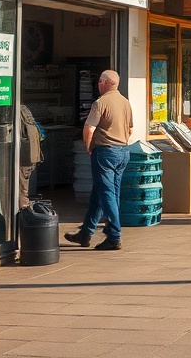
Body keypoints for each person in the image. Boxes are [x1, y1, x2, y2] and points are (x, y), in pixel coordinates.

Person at [64, 69, 133, 250]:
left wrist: (88, 147)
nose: (98, 84)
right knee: (104, 192)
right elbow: (130, 129)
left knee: (106, 193)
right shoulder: (125, 102)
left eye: (99, 81)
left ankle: (114, 235)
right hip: (123, 151)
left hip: (105, 152)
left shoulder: (100, 103)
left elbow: (89, 129)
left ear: (104, 82)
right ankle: (86, 232)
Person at [18, 102, 44, 210]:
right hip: (32, 155)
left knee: (21, 191)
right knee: (23, 190)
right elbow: (41, 134)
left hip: (24, 157)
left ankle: (22, 216)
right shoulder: (25, 111)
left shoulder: (15, 113)